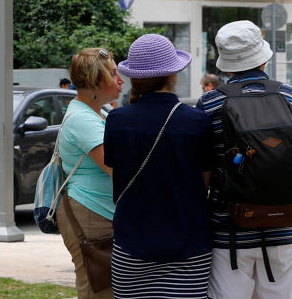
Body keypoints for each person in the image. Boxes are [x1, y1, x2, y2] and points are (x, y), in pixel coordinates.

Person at [105, 34, 213, 299]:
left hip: (132, 244)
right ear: (173, 75)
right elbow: (205, 182)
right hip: (189, 248)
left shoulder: (117, 120)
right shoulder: (196, 121)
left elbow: (115, 175)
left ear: (134, 78)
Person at [197, 20, 292, 299]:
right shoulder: (288, 96)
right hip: (283, 226)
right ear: (262, 59)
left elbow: (205, 163)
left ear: (226, 65)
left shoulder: (210, 103)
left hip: (229, 230)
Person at [58, 47, 124, 299]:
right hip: (90, 213)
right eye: (114, 74)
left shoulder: (99, 113)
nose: (120, 80)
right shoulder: (82, 119)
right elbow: (116, 168)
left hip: (99, 211)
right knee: (98, 291)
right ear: (95, 81)